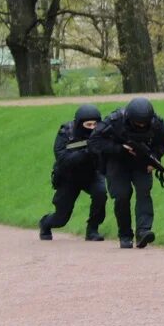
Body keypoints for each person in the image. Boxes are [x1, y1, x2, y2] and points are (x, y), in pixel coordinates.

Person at [88, 97, 164, 249]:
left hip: (142, 161)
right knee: (122, 195)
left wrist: (155, 158)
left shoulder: (156, 123)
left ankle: (143, 231)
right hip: (117, 162)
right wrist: (119, 149)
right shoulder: (114, 120)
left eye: (144, 123)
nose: (141, 125)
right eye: (138, 123)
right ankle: (125, 234)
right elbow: (94, 141)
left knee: (144, 191)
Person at [39, 104, 107, 242]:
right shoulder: (66, 133)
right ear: (79, 123)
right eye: (88, 124)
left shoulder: (102, 133)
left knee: (101, 193)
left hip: (92, 174)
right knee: (61, 219)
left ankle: (92, 229)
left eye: (95, 124)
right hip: (68, 177)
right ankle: (45, 223)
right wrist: (87, 151)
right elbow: (63, 159)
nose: (92, 127)